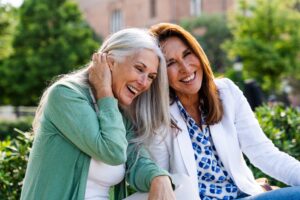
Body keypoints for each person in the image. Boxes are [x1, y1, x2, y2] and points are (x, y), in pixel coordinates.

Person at [146, 23, 300, 200]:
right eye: (170, 63)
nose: (185, 68)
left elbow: (263, 153)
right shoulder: (158, 115)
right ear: (160, 74)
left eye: (187, 54)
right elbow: (162, 179)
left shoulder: (226, 92)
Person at [20, 28, 174, 200]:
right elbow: (113, 152)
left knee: (182, 188)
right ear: (109, 61)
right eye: (139, 69)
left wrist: (158, 177)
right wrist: (104, 90)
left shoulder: (119, 114)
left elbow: (136, 160)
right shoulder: (65, 95)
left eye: (151, 76)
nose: (144, 83)